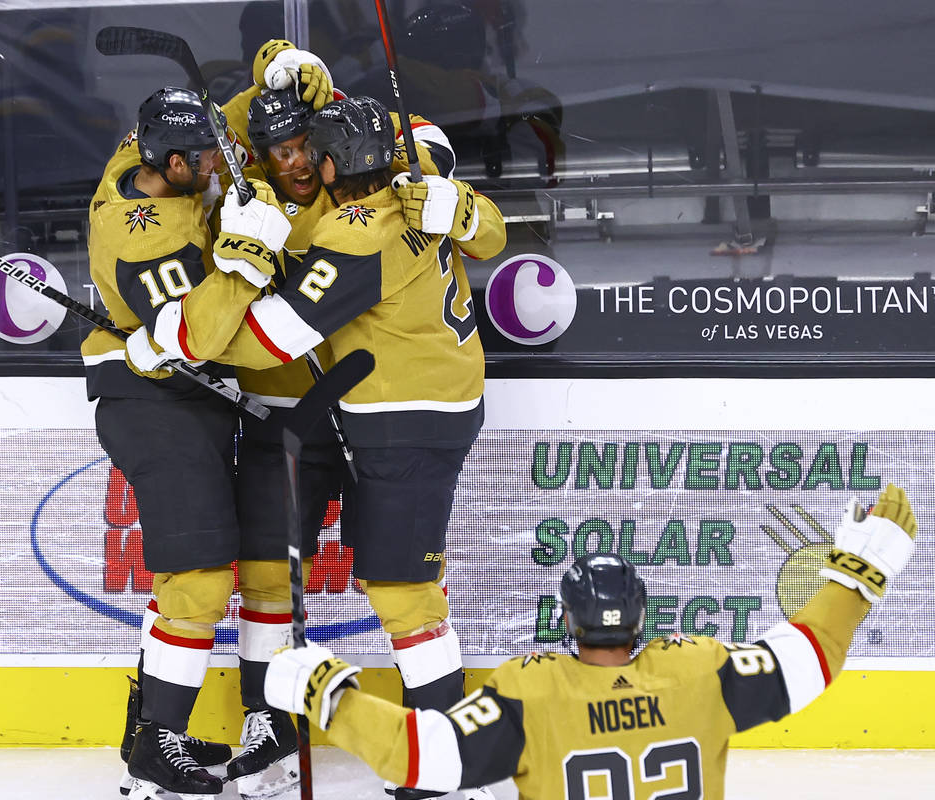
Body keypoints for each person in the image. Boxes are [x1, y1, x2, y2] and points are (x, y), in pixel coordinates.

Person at [128, 93, 507, 800]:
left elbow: (276, 335)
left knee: (406, 594)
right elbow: (483, 222)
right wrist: (457, 204)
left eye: (313, 149)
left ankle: (452, 766)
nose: (301, 163)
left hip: (402, 421)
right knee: (338, 585)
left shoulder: (359, 232)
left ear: (334, 160)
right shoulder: (408, 192)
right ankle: (285, 739)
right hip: (400, 414)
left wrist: (169, 337)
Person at [264, 483, 919, 800]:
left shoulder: (532, 689)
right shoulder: (697, 674)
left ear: (568, 620)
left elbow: (420, 757)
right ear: (641, 613)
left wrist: (328, 692)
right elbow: (808, 657)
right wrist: (857, 577)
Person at [82, 86, 251, 800]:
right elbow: (202, 332)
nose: (220, 161)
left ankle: (156, 729)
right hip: (152, 398)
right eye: (208, 156)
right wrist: (248, 254)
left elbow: (207, 126)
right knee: (204, 576)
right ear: (173, 163)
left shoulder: (143, 150)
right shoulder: (146, 238)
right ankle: (157, 748)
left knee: (186, 577)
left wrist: (254, 88)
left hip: (185, 397)